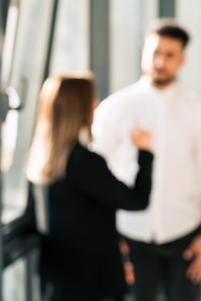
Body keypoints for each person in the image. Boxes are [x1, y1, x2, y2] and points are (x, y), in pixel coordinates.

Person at [92, 20, 201, 301]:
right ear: (143, 52)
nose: (160, 61)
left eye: (169, 54)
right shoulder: (114, 108)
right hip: (129, 236)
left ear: (182, 60)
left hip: (185, 237)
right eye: (154, 52)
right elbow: (99, 177)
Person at [26, 74, 153, 301]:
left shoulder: (40, 160)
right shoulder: (84, 162)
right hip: (93, 284)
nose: (96, 104)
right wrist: (145, 152)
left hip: (59, 281)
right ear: (79, 108)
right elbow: (136, 200)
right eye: (92, 99)